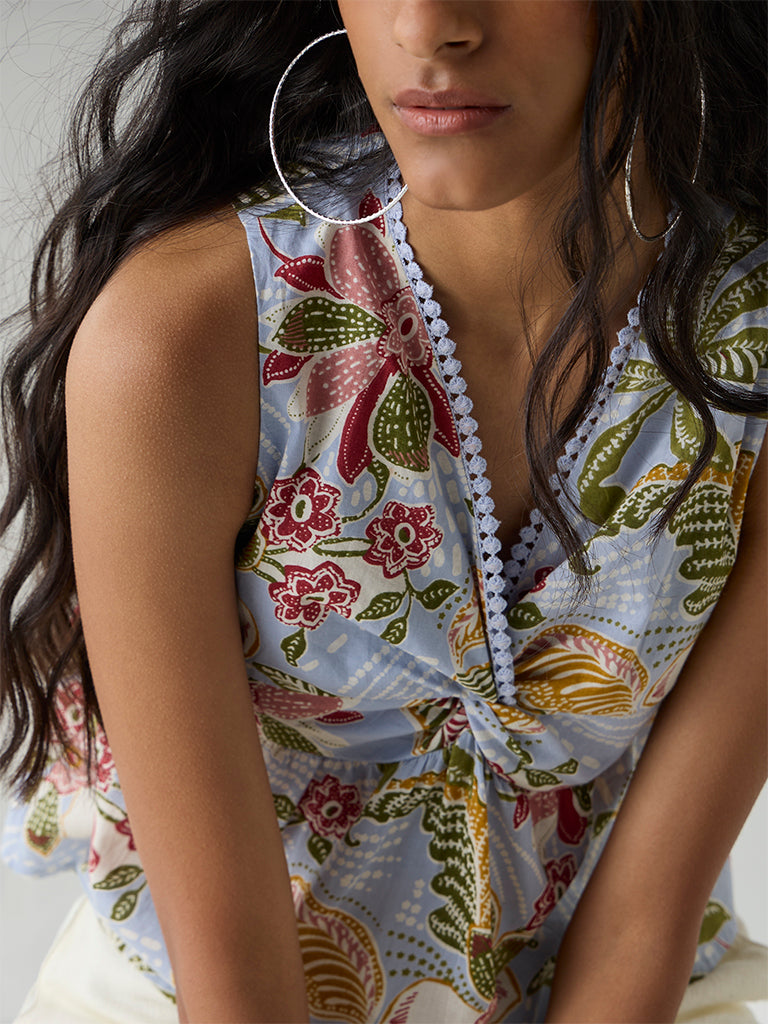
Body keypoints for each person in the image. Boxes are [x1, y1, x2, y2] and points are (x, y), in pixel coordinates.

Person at [1, 1, 766, 1021]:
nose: (427, 27)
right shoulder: (184, 335)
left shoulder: (747, 345)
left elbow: (641, 925)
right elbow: (233, 977)